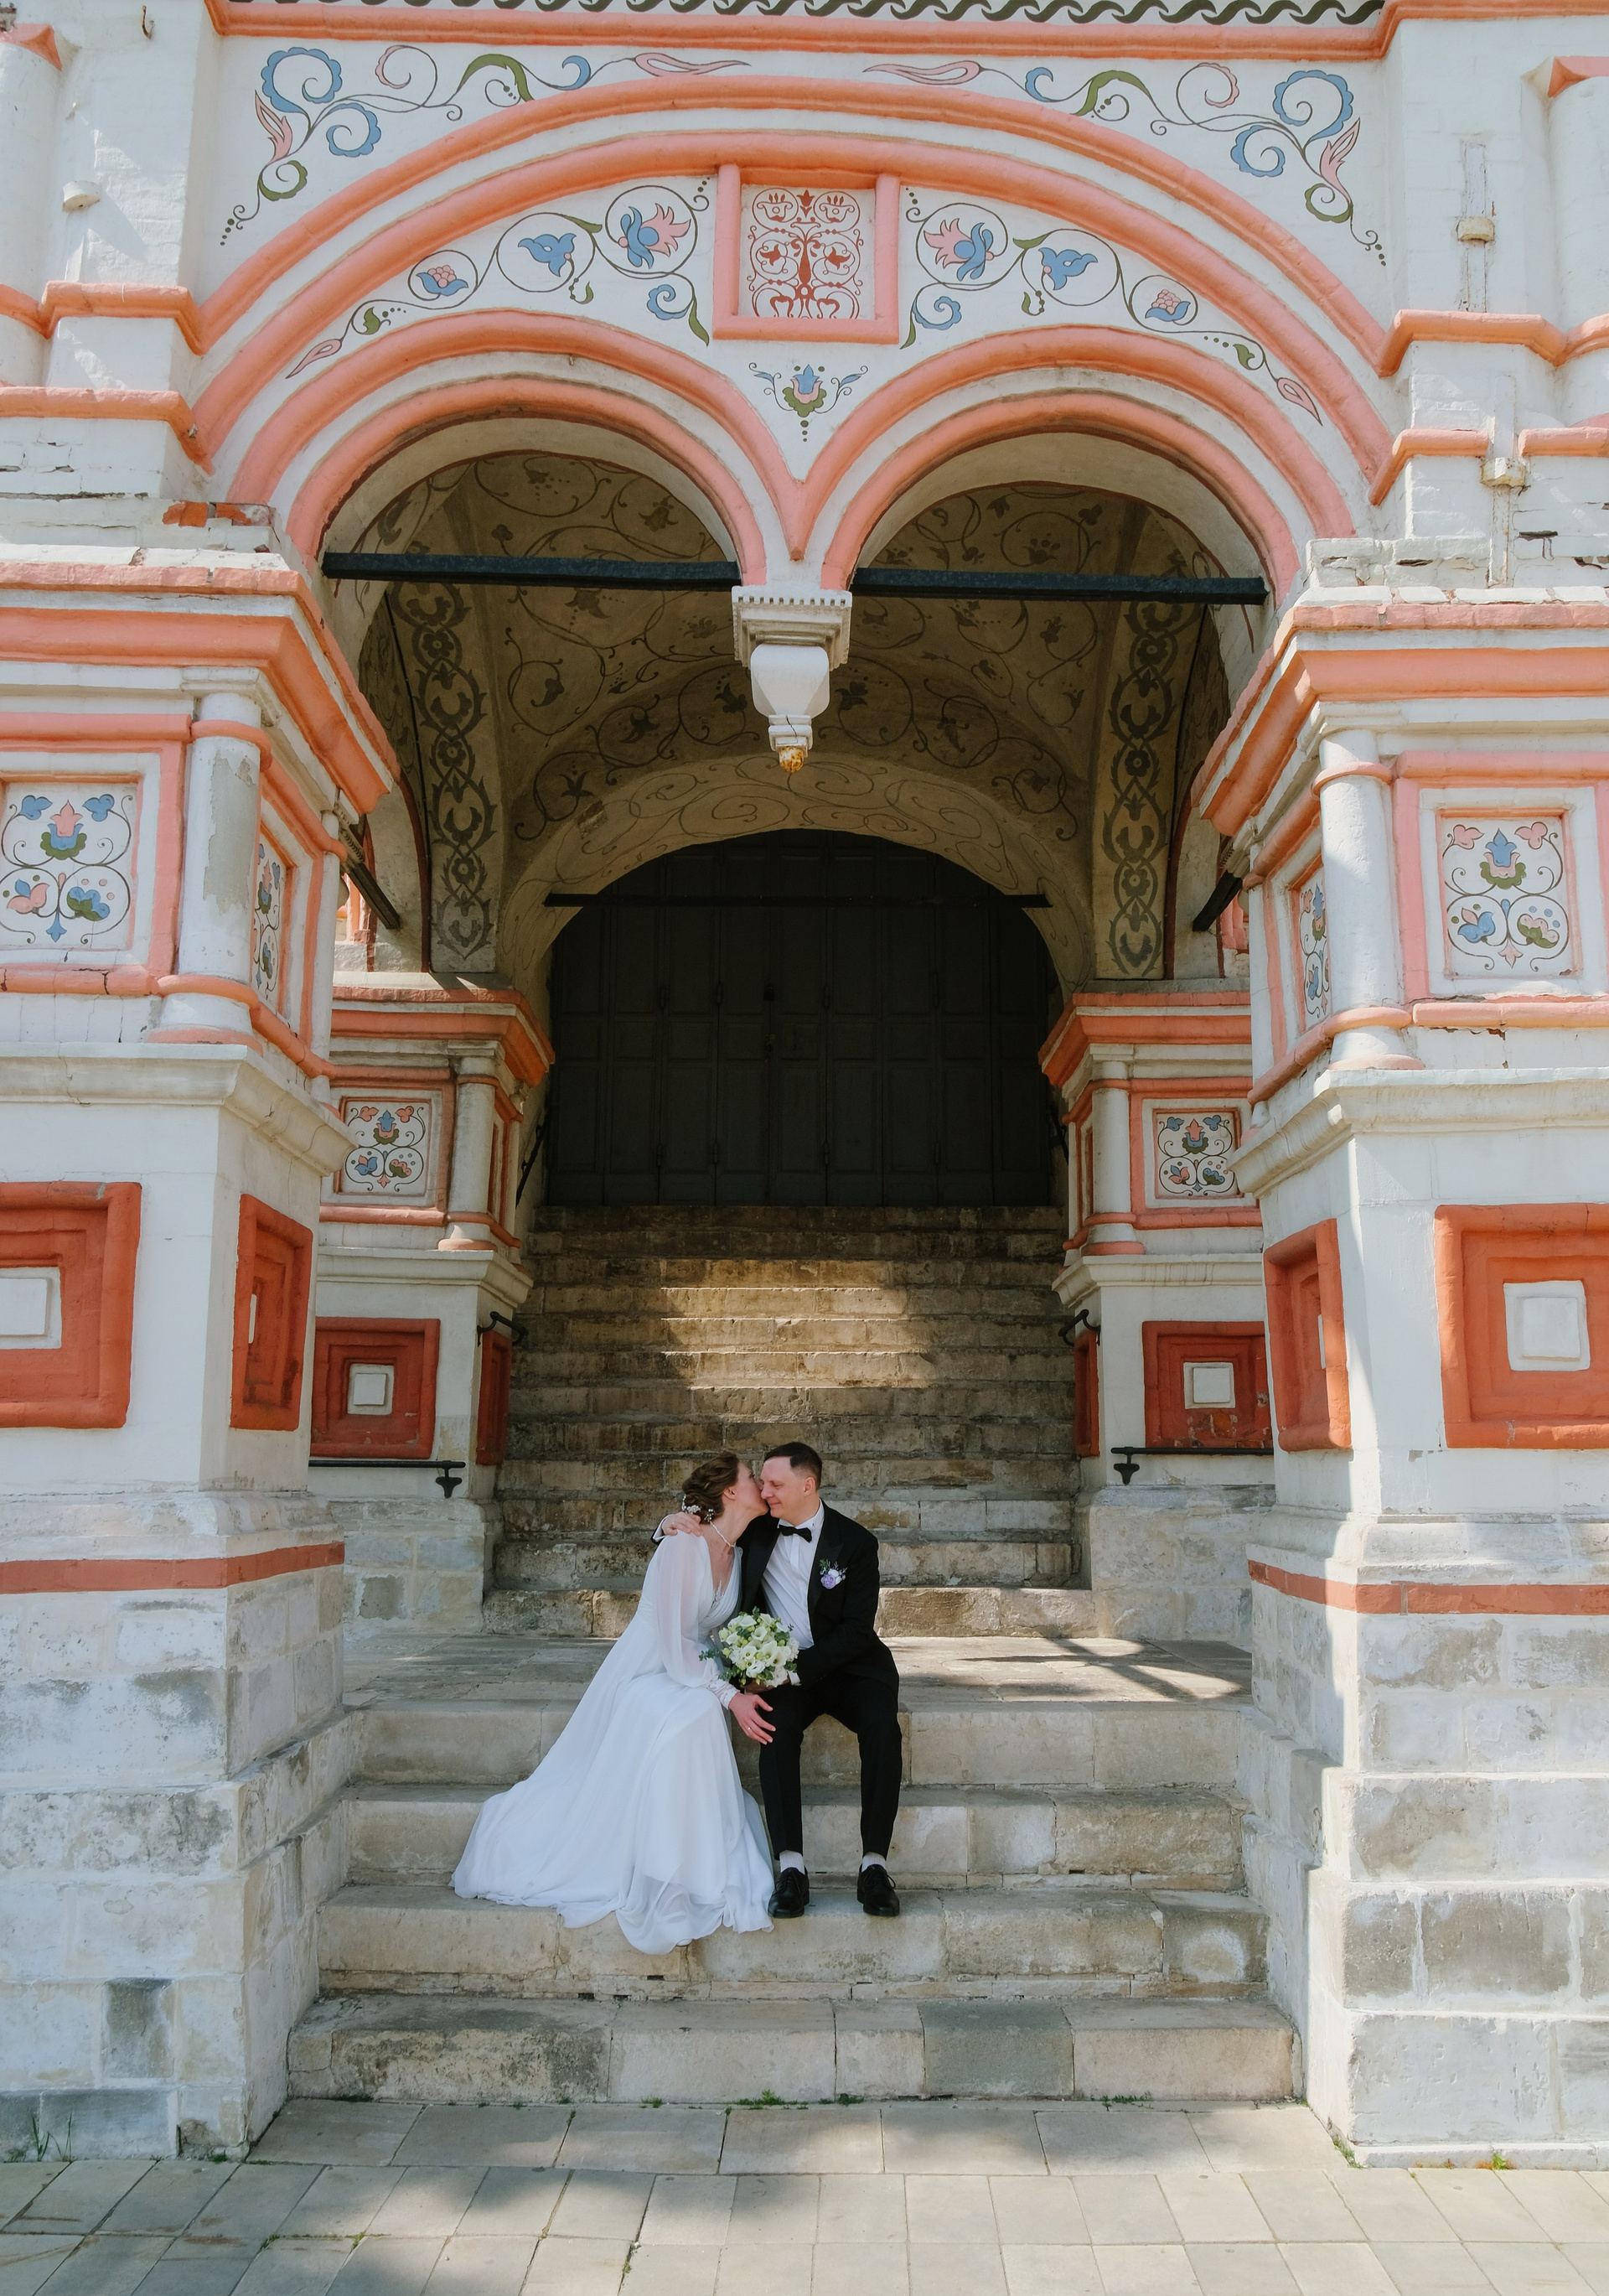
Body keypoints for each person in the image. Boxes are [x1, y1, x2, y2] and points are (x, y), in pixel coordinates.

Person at [451, 1454, 776, 1955]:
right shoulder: (682, 1545)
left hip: (692, 1669)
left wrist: (748, 1673)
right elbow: (673, 1644)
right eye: (752, 1477)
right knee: (695, 1714)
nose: (762, 1485)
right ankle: (664, 1877)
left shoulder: (741, 1548)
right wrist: (729, 1696)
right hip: (649, 1669)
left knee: (698, 1712)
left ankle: (687, 1866)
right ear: (730, 1492)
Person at [661, 1439, 903, 1920]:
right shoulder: (757, 1530)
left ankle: (874, 1865)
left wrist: (792, 1671)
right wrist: (666, 1525)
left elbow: (857, 1631)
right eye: (762, 1482)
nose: (765, 1491)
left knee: (883, 1729)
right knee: (774, 1730)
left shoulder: (856, 1543)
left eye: (775, 1484)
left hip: (852, 1668)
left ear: (807, 1485)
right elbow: (705, 1533)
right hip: (783, 1676)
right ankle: (790, 1867)